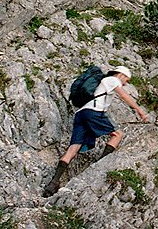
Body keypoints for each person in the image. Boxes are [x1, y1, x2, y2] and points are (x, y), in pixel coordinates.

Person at [43, 65, 149, 197]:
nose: (125, 83)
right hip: (93, 112)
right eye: (126, 80)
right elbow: (123, 96)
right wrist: (139, 110)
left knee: (73, 149)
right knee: (117, 134)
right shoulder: (113, 79)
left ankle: (53, 182)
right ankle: (101, 165)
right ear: (121, 75)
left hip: (81, 113)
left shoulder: (103, 82)